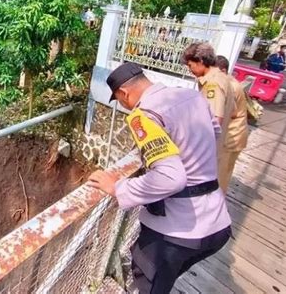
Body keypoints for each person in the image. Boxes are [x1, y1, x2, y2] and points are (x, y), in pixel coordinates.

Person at [87, 62, 231, 294]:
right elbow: (214, 132)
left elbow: (170, 179)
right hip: (217, 224)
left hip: (176, 234)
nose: (124, 106)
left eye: (120, 101)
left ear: (123, 93)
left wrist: (118, 187)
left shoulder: (143, 116)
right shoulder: (193, 97)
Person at [182, 43, 236, 194]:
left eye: (190, 65)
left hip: (207, 153)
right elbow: (232, 112)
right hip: (219, 147)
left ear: (200, 61)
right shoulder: (224, 78)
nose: (189, 70)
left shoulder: (212, 84)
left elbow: (214, 122)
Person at [215, 56, 249, 193]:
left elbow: (231, 112)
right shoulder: (227, 83)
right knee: (224, 170)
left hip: (232, 136)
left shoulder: (231, 87)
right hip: (231, 134)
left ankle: (216, 205)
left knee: (221, 175)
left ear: (223, 70)